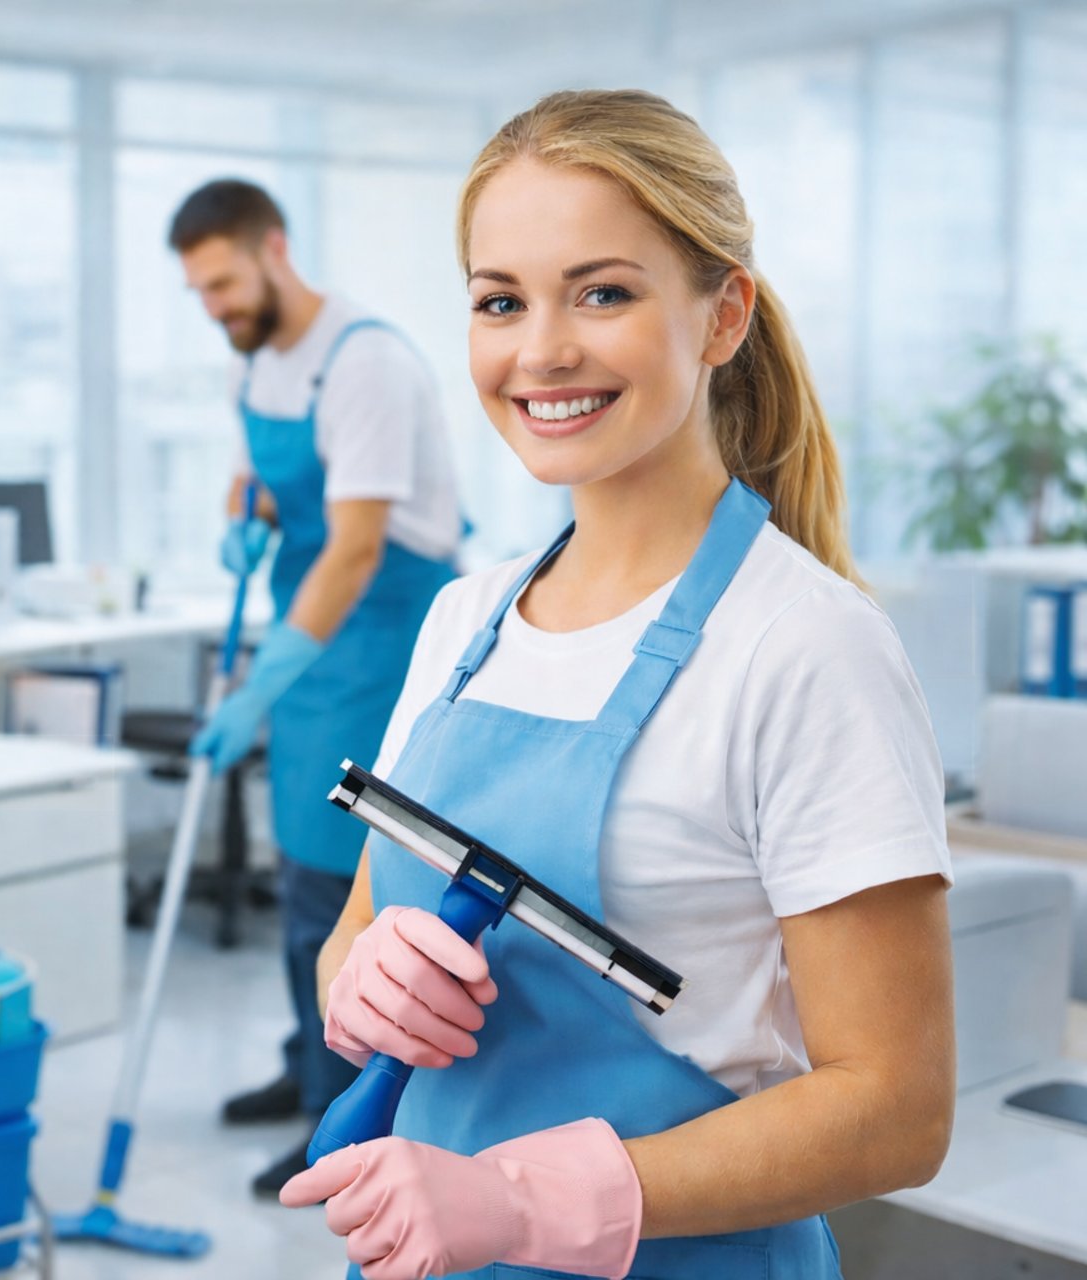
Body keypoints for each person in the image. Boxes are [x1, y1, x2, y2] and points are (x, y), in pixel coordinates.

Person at [280, 89, 955, 1280]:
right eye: (501, 300)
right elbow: (349, 936)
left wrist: (520, 1199)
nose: (540, 350)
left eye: (604, 291)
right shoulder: (463, 619)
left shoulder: (804, 647)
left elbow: (897, 1107)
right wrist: (362, 983)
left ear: (721, 314)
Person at [167, 179, 464, 1195]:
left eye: (222, 281)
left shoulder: (364, 361)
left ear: (273, 248)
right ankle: (307, 1066)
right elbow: (265, 481)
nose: (213, 305)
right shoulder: (259, 359)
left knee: (350, 888)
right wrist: (244, 514)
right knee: (300, 871)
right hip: (309, 640)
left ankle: (344, 1115)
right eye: (197, 291)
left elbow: (356, 546)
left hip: (377, 638)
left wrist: (257, 683)